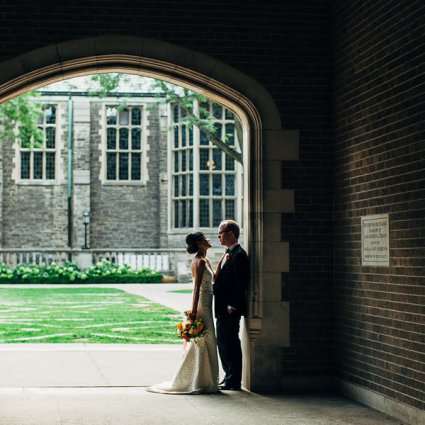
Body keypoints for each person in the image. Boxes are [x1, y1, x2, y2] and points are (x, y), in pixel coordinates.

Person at [146, 232, 219, 394]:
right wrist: (193, 312)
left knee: (207, 341)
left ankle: (206, 378)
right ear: (200, 243)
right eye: (205, 238)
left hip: (208, 302)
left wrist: (221, 263)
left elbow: (214, 280)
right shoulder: (198, 262)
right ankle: (196, 378)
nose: (209, 240)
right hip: (202, 306)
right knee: (203, 340)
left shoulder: (205, 260)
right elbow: (196, 289)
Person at [214, 219, 249, 391]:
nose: (218, 236)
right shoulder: (228, 253)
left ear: (231, 234)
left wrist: (232, 305)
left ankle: (234, 380)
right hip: (222, 308)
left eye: (220, 233)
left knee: (231, 343)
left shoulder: (239, 255)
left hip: (229, 309)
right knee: (223, 343)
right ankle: (228, 376)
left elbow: (241, 283)